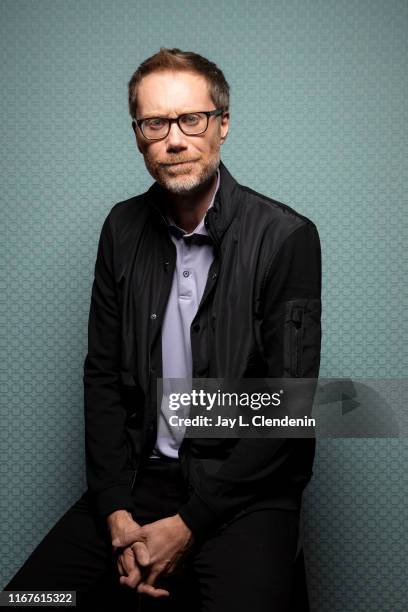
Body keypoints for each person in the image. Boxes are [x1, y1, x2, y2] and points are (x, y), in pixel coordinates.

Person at [2, 47, 322, 611]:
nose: (174, 140)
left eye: (191, 119)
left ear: (223, 125)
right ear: (138, 135)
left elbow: (290, 408)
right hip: (138, 482)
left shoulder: (287, 237)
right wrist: (113, 510)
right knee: (32, 599)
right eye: (155, 123)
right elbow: (101, 376)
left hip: (245, 491)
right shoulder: (122, 229)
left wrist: (191, 522)